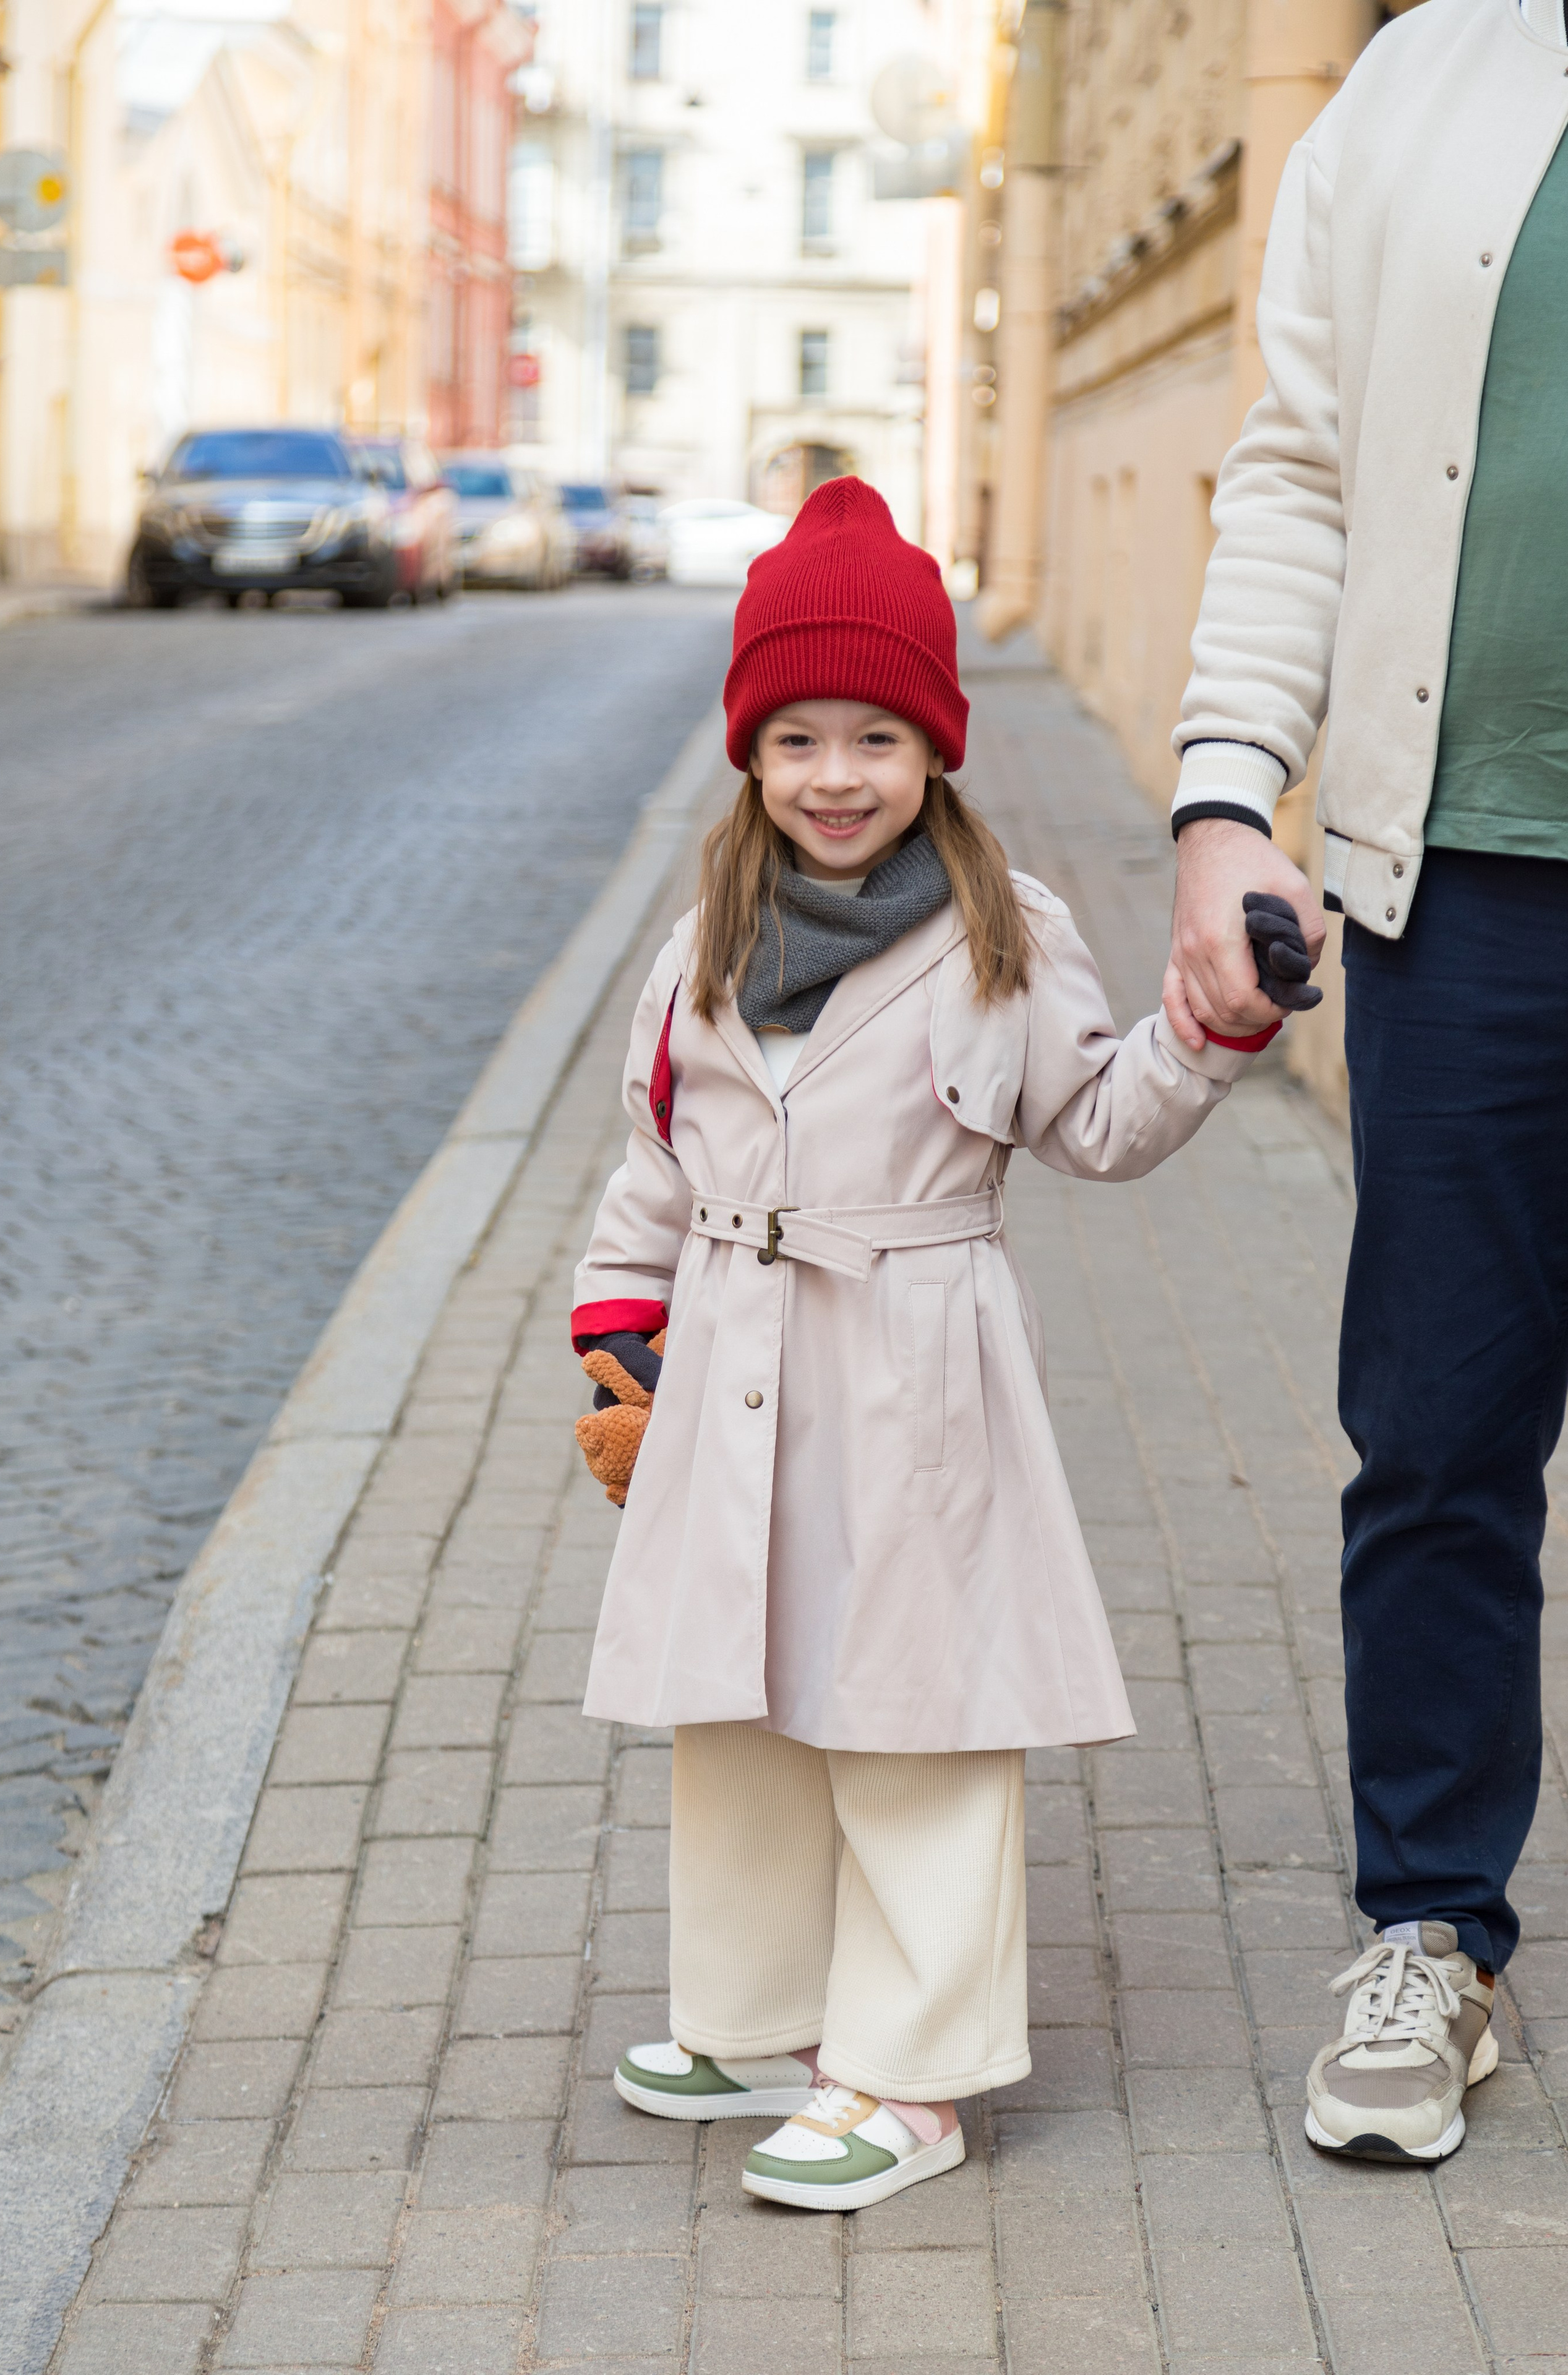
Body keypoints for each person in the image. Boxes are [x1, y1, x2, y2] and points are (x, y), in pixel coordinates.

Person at [567, 476, 1290, 2212]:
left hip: (911, 1366)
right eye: (799, 735)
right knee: (731, 1699)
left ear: (937, 746)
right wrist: (616, 1329)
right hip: (733, 1366)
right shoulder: (706, 936)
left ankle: (916, 2076)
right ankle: (757, 2016)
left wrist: (1212, 1026)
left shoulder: (1001, 932)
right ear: (750, 748)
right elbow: (657, 1151)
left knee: (913, 1715)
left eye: (876, 737)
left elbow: (1099, 1126)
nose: (835, 775)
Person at [1162, 0, 1568, 2164]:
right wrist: (1228, 796)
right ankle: (1433, 1931)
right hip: (1466, 888)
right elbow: (1298, 464)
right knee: (1436, 1437)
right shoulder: (1420, 81)